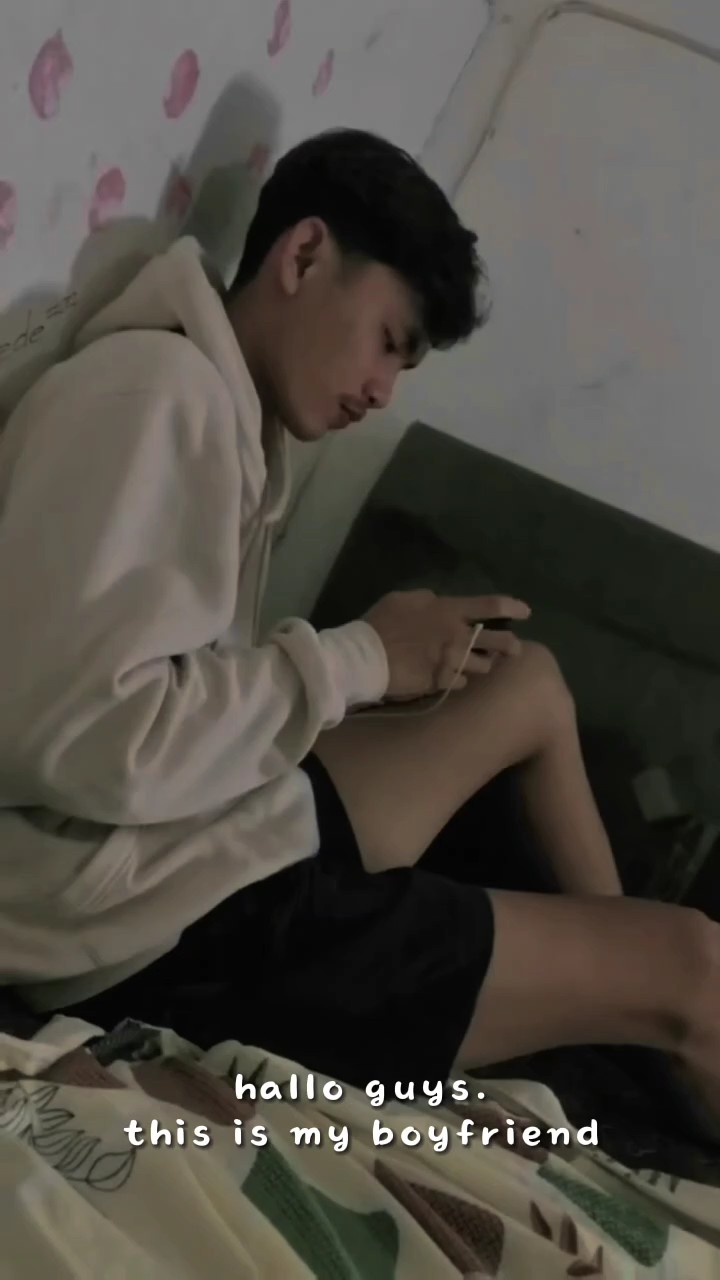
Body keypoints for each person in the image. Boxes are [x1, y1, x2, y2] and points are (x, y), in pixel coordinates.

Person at [0, 128, 718, 1119]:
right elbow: (80, 734)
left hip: (194, 847)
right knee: (694, 961)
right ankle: (655, 1008)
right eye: (389, 339)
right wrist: (360, 658)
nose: (382, 391)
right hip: (149, 940)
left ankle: (630, 1012)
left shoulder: (225, 415)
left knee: (527, 684)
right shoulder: (152, 398)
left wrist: (363, 666)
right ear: (302, 256)